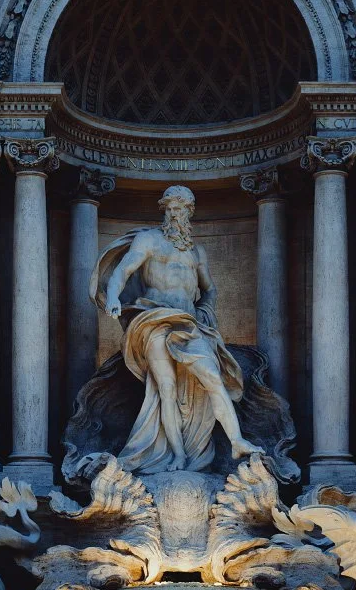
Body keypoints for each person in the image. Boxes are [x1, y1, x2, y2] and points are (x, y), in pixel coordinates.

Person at [91, 185, 262, 473]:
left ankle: (237, 440)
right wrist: (112, 297)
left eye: (179, 209)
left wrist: (207, 310)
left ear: (189, 213)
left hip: (189, 323)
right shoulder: (150, 240)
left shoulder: (197, 252)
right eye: (169, 208)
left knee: (213, 378)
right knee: (165, 388)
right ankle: (178, 456)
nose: (173, 213)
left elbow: (209, 289)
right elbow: (123, 270)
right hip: (153, 318)